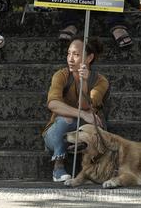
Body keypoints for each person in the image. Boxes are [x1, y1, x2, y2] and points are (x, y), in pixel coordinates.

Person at [43, 37, 108, 182]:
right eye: (69, 54)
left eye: (76, 55)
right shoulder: (62, 75)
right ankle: (58, 167)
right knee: (65, 120)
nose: (70, 59)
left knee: (91, 128)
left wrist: (84, 82)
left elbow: (86, 105)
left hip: (85, 133)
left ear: (90, 58)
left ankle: (95, 170)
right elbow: (53, 103)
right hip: (57, 134)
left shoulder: (100, 81)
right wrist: (80, 114)